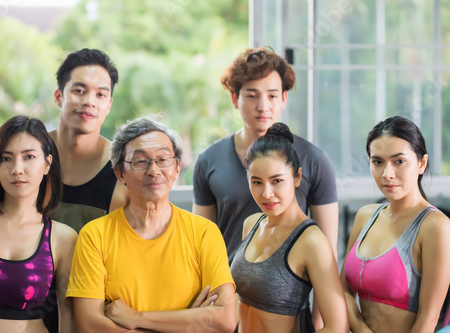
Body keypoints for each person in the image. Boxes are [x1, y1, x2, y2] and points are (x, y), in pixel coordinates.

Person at [192, 46, 338, 329]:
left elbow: (327, 251)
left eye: (272, 95)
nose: (263, 106)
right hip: (229, 305)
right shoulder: (208, 160)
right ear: (235, 98)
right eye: (252, 95)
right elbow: (203, 247)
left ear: (284, 98)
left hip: (286, 308)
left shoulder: (314, 160)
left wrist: (320, 323)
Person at [66, 115, 236, 332]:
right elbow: (89, 326)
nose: (153, 170)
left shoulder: (204, 233)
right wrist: (187, 322)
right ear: (120, 173)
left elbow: (225, 320)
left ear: (176, 169)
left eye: (163, 159)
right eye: (140, 161)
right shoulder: (94, 235)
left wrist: (136, 318)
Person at [0, 116, 78, 333]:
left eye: (29, 157)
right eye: (6, 158)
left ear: (47, 164)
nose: (17, 169)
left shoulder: (63, 237)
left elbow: (68, 321)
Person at [230, 122, 348, 333]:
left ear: (297, 177)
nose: (266, 194)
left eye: (276, 181)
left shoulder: (311, 241)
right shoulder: (252, 224)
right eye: (256, 182)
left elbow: (338, 327)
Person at [340, 116, 450, 332]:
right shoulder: (365, 217)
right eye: (377, 161)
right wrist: (361, 329)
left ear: (422, 164)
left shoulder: (436, 226)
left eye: (399, 161)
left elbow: (428, 319)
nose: (387, 174)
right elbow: (342, 290)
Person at [49, 48, 129, 233]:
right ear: (59, 97)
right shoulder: (26, 155)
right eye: (79, 90)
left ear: (109, 105)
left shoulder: (125, 169)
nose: (89, 101)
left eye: (100, 94)